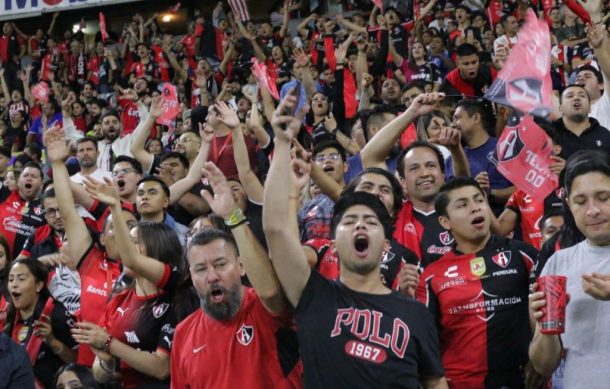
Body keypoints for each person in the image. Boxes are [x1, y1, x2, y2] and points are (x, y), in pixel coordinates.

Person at [263, 92, 447, 387]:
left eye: (371, 221)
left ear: (387, 238)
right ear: (333, 238)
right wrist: (282, 144)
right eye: (349, 221)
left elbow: (435, 381)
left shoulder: (414, 311)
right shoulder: (312, 293)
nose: (360, 224)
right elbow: (275, 230)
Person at [171, 162, 301, 388]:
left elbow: (270, 291)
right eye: (200, 269)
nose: (212, 276)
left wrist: (233, 216)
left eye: (220, 264)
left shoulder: (263, 307)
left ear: (241, 266)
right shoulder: (183, 334)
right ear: (191, 276)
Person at [416, 177, 539, 388]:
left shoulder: (524, 254)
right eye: (463, 205)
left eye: (479, 200)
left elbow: (546, 316)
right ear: (446, 222)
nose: (475, 208)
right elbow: (425, 344)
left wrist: (540, 363)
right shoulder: (431, 275)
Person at [73, 176, 182, 388]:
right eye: (126, 242)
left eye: (134, 242)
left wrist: (108, 343)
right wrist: (106, 361)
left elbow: (161, 369)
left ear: (157, 249)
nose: (125, 249)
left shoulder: (175, 291)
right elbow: (101, 374)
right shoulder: (119, 298)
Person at [529, 150, 610, 388]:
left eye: (603, 197)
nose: (592, 210)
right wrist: (548, 327)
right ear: (568, 204)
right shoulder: (558, 263)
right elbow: (544, 366)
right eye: (581, 201)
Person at [5, 258, 77, 388]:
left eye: (21, 279)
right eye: (11, 280)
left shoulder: (57, 315)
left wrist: (53, 342)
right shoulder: (10, 318)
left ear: (39, 285)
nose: (14, 284)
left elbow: (79, 362)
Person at [0, 162, 46, 257]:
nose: (29, 178)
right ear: (19, 181)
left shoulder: (46, 210)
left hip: (24, 266)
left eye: (34, 176)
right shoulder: (4, 196)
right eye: (25, 175)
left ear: (42, 184)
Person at [553, 84, 610, 160]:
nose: (576, 98)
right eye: (570, 96)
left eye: (582, 96)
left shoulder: (605, 134)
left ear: (590, 107)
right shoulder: (549, 135)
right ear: (561, 109)